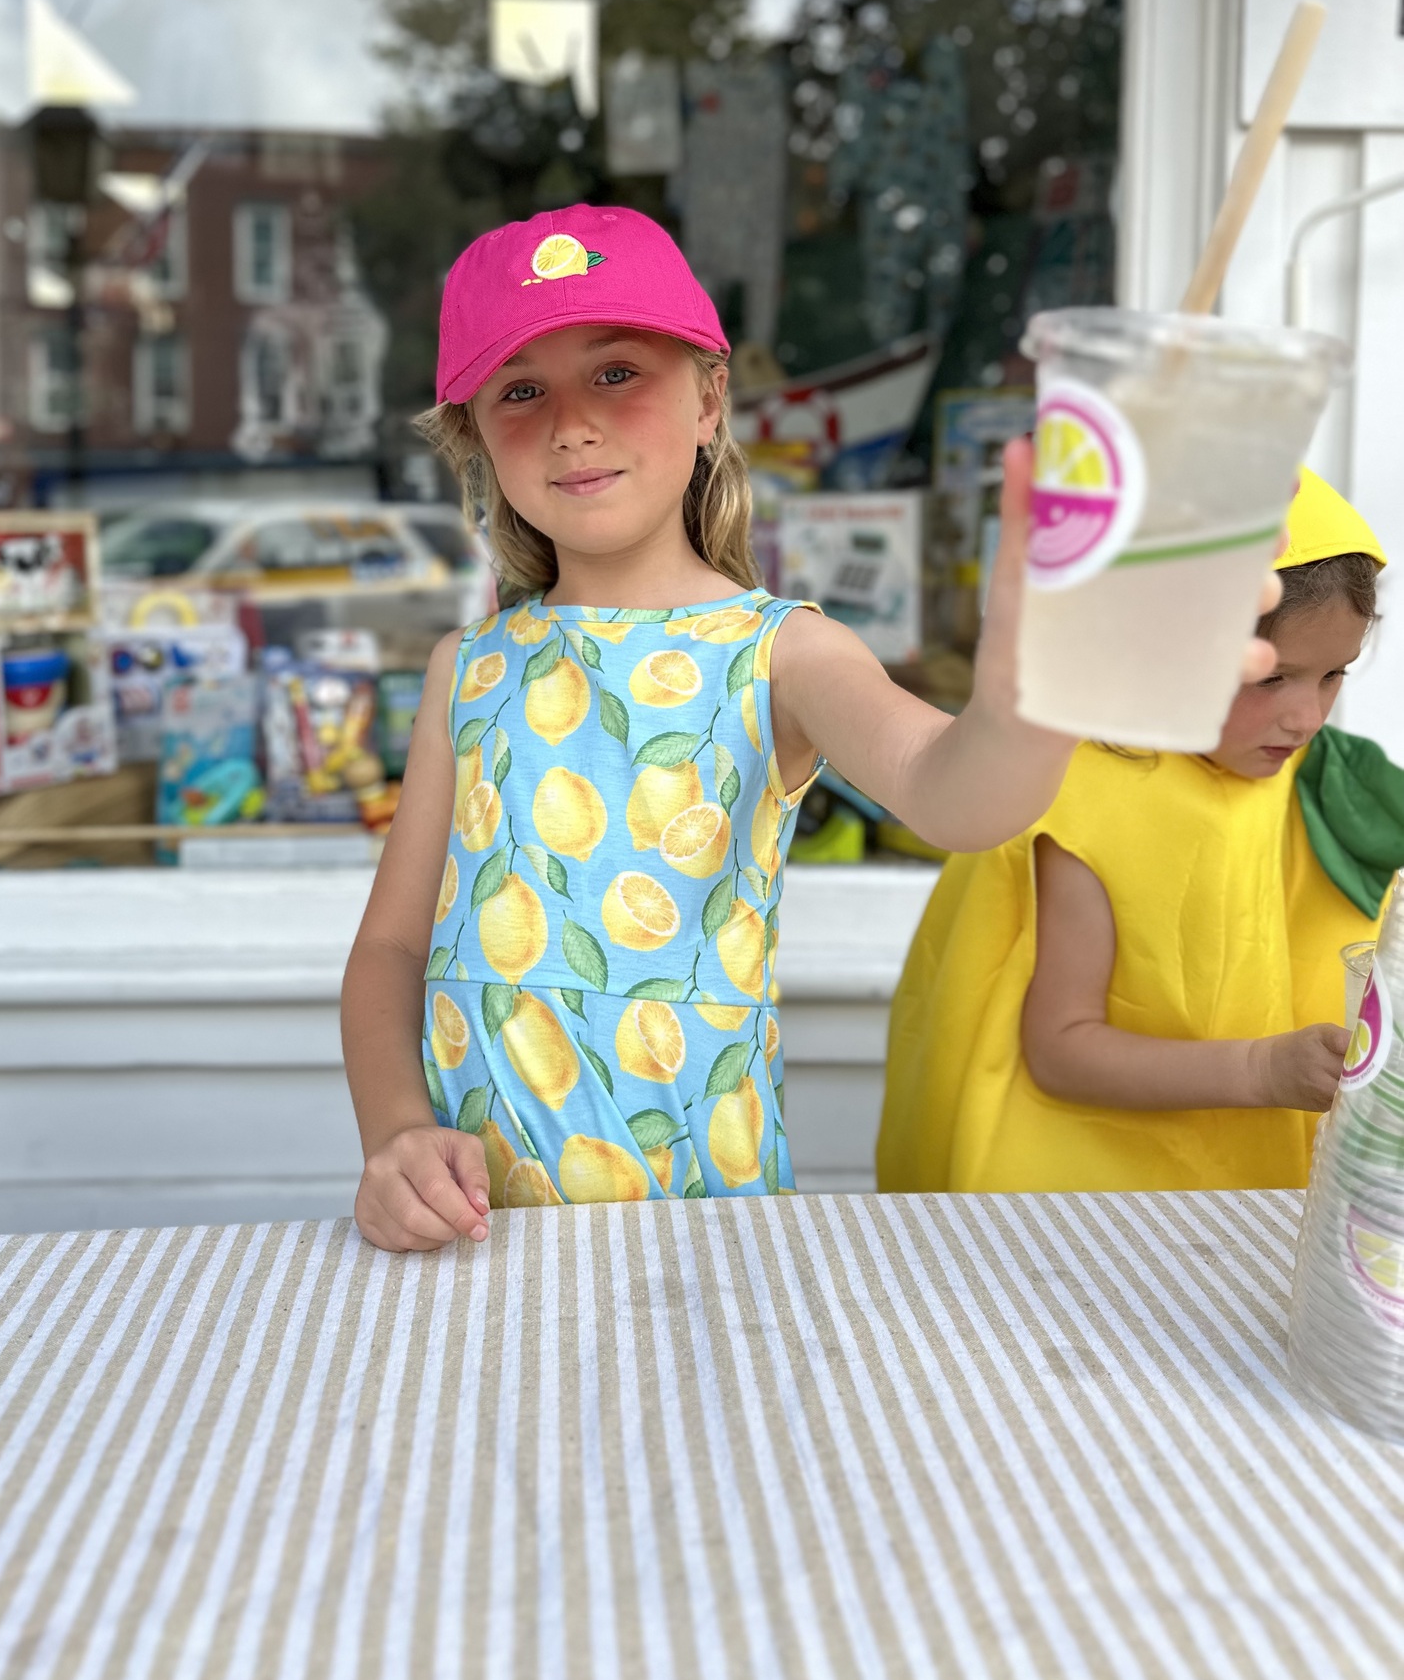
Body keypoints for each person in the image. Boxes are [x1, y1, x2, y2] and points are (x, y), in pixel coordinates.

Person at [341, 201, 1107, 1251]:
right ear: (475, 437)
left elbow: (957, 791)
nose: (571, 420)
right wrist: (394, 1136)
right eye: (521, 388)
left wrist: (1043, 671)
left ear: (710, 400)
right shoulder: (465, 669)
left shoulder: (783, 652)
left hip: (699, 1234)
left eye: (616, 370)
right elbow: (388, 949)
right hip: (478, 1239)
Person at [876, 468, 1404, 1196]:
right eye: (1271, 679)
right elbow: (1061, 1048)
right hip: (1082, 1204)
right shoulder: (1092, 796)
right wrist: (1260, 1069)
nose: (1307, 718)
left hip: (1229, 1194)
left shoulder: (1280, 772)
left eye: (1332, 676)